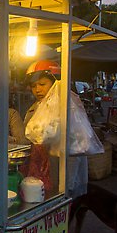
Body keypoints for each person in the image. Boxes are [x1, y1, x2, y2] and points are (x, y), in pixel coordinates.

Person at [22, 60, 89, 199]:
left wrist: (67, 185)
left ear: (56, 83)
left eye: (42, 84)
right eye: (34, 86)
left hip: (64, 176)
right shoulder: (35, 108)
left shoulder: (67, 107)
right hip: (42, 175)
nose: (37, 89)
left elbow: (76, 149)